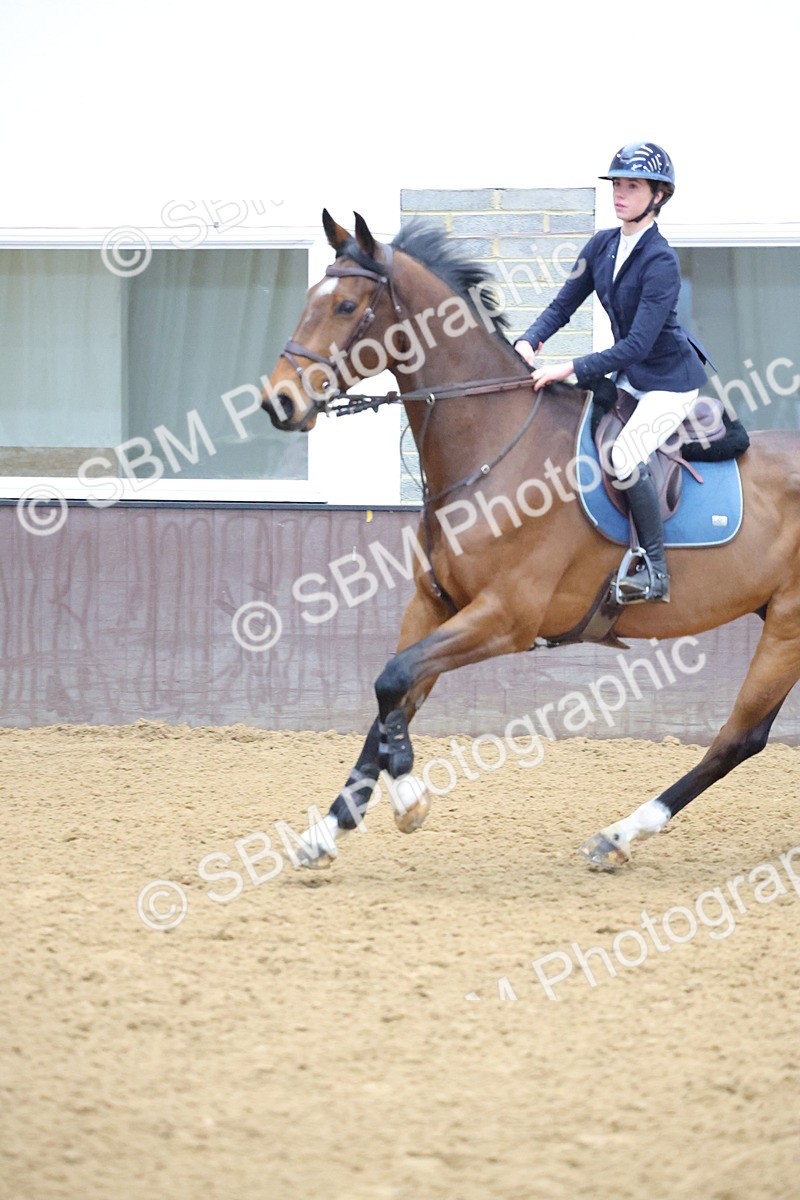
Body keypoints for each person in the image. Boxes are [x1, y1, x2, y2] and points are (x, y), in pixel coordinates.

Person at [514, 142, 711, 603]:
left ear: (658, 196)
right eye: (617, 184)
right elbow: (563, 304)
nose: (620, 194)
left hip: (668, 383)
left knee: (623, 457)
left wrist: (570, 368)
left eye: (632, 186)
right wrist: (529, 340)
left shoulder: (661, 261)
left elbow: (637, 344)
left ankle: (656, 570)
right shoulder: (602, 244)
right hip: (631, 376)